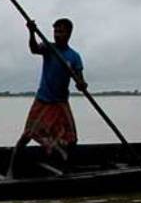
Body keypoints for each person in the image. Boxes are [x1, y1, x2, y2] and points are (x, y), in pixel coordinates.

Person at [8, 18, 87, 177]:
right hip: (43, 100)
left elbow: (80, 81)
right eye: (55, 31)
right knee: (26, 136)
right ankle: (10, 170)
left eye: (61, 31)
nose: (57, 35)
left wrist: (82, 85)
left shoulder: (74, 57)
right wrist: (31, 31)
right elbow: (34, 48)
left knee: (71, 140)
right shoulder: (49, 48)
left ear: (69, 34)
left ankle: (66, 172)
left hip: (60, 103)